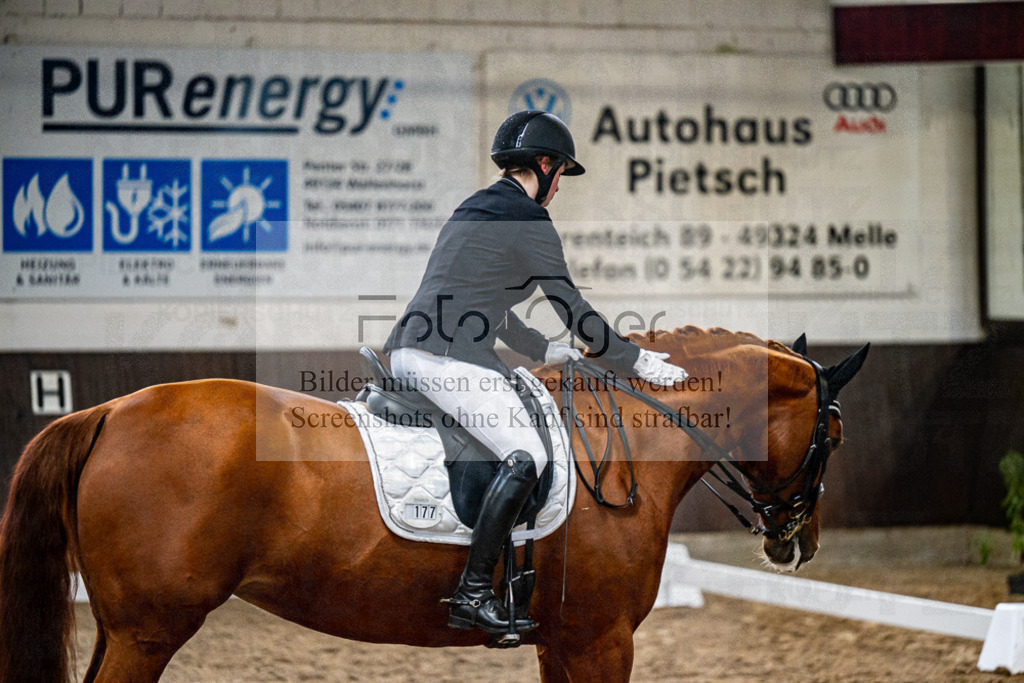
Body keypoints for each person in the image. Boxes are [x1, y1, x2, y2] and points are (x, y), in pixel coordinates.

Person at [384, 109, 688, 635]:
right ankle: (474, 592)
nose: (558, 189)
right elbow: (570, 304)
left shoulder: (476, 207)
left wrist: (544, 347)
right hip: (444, 357)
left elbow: (485, 303)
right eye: (560, 175)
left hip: (420, 349)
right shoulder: (529, 219)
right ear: (544, 165)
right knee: (528, 455)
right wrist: (634, 359)